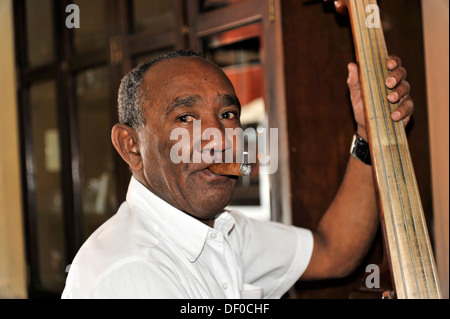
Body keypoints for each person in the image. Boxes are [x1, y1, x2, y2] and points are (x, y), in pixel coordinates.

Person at [61, 50, 413, 299]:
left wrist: (369, 134)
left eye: (228, 114)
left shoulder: (224, 231)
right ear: (131, 146)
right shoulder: (131, 269)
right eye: (185, 118)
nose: (218, 139)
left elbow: (333, 252)